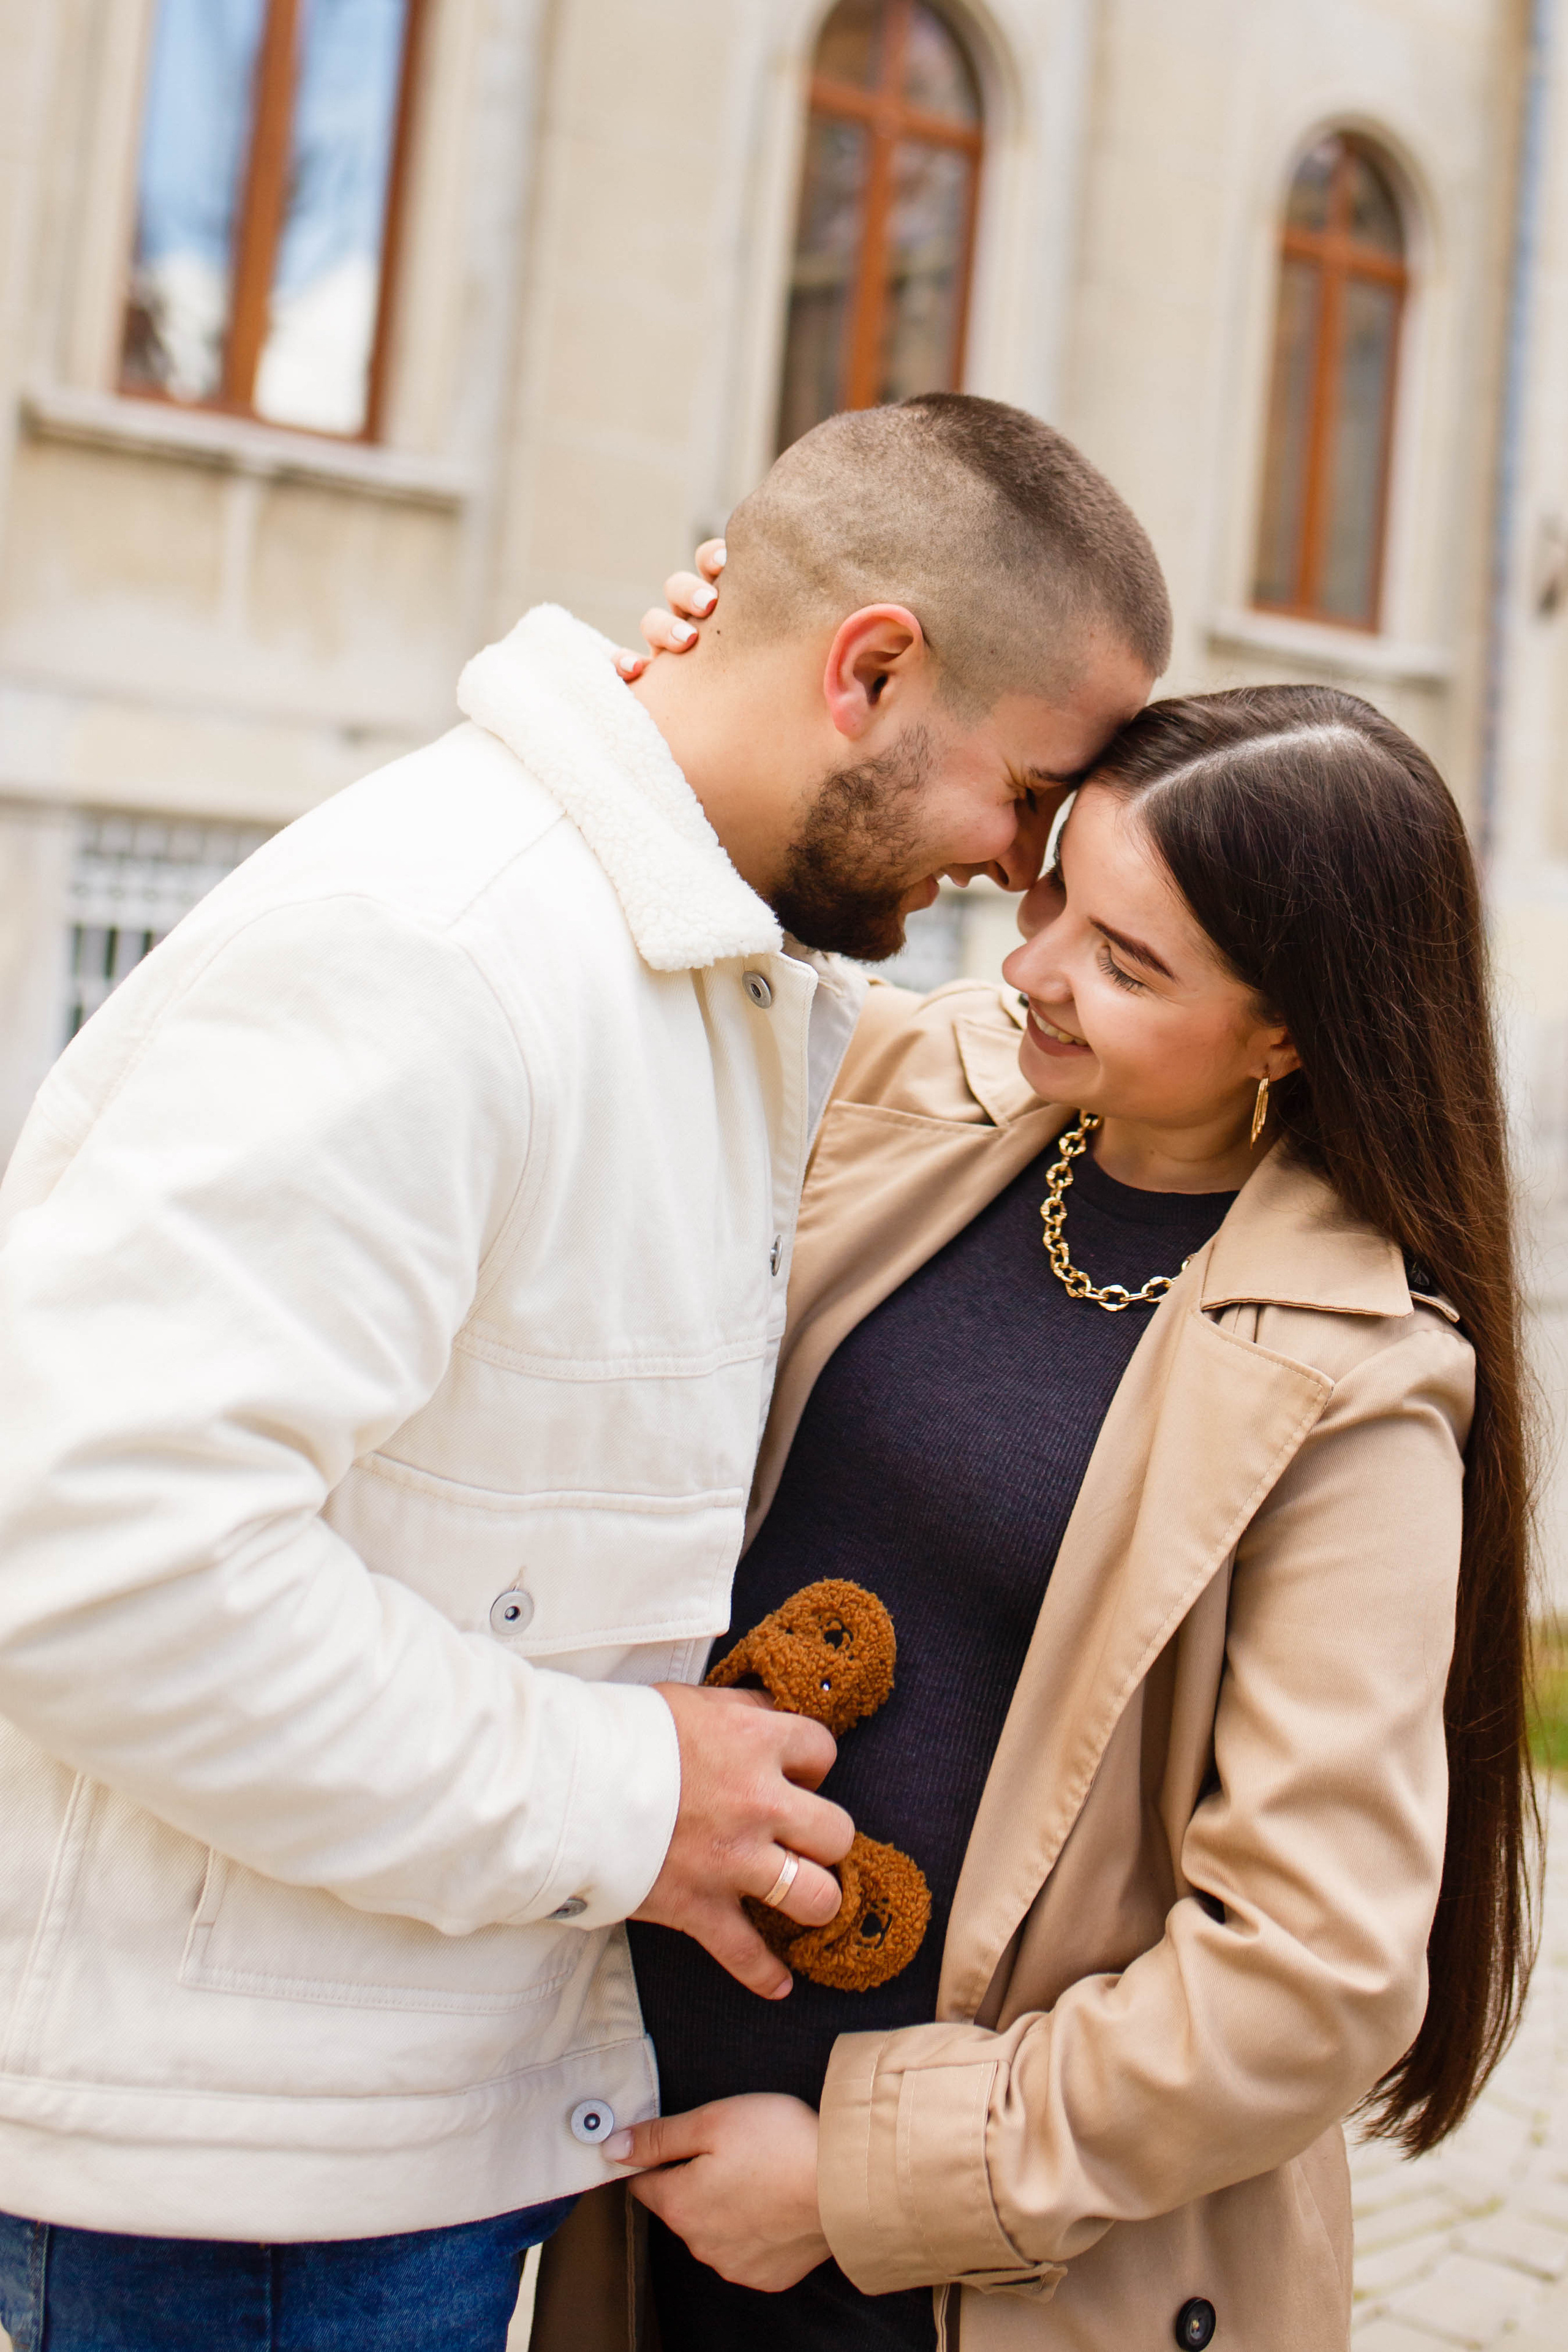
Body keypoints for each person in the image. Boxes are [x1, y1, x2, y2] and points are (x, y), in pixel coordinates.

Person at [0, 396, 1164, 2351]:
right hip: (244, 2215)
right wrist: (633, 1794)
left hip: (396, 2146)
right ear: (871, 670)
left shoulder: (722, 958)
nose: (1019, 869)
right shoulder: (428, 948)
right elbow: (89, 1556)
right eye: (1032, 796)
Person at [551, 652, 1537, 2351]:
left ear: (1294, 1029)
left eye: (1126, 962)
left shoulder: (1362, 1390)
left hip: (983, 2274)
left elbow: (1312, 1973)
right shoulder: (924, 1084)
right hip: (648, 2180)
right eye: (1057, 891)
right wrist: (687, 670)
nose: (1033, 968)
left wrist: (858, 2186)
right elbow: (656, 955)